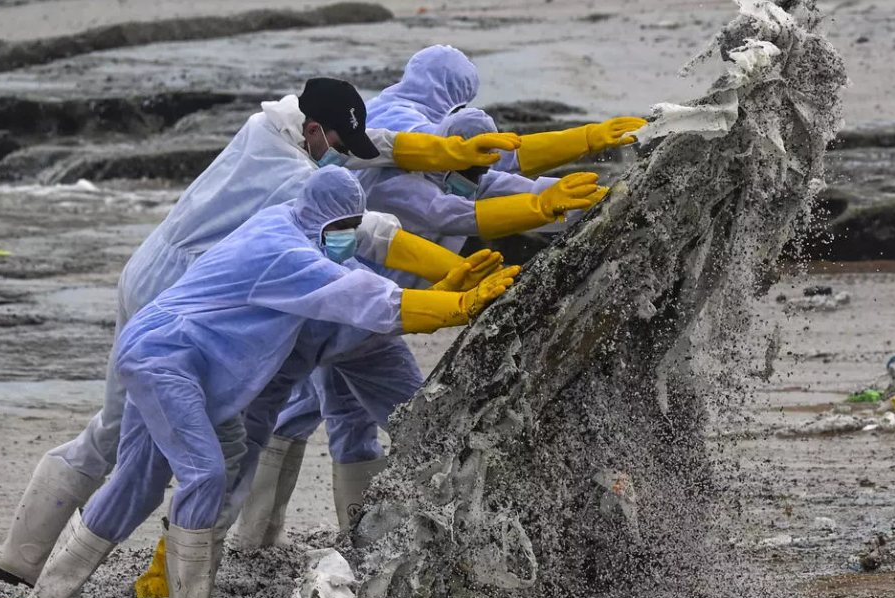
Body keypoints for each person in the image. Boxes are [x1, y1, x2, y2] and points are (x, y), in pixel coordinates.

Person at [0, 77, 521, 590]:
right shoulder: (291, 182)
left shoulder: (265, 128)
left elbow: (375, 147)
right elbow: (370, 237)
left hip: (148, 271)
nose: (345, 154)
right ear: (313, 130)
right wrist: (450, 287)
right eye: (337, 141)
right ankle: (170, 577)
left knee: (115, 429)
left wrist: (449, 155)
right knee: (199, 449)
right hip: (183, 300)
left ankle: (23, 559)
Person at [12, 167, 519, 598]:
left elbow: (360, 258)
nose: (347, 238)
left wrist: (444, 283)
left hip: (157, 348)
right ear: (322, 221)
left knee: (137, 481)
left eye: (352, 228)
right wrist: (456, 306)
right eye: (340, 228)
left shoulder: (287, 219)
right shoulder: (285, 254)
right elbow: (361, 295)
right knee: (205, 472)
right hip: (166, 358)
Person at [229, 107, 614, 550]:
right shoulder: (400, 184)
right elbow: (451, 215)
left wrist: (597, 193)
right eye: (465, 163)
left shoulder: (470, 177)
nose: (471, 176)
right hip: (348, 318)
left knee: (352, 422)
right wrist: (462, 290)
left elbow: (518, 185)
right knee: (408, 425)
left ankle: (351, 543)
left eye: (478, 167)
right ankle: (259, 542)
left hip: (368, 332)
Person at [365, 44, 647, 177]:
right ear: (452, 94)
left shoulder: (378, 107)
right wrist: (585, 139)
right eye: (462, 102)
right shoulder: (401, 120)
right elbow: (471, 154)